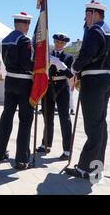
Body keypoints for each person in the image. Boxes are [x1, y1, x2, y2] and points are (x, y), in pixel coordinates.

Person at [65, 0, 110, 180]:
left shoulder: (95, 30)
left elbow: (86, 54)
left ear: (95, 14)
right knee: (100, 124)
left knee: (93, 126)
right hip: (106, 78)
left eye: (87, 15)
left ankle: (85, 169)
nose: (85, 18)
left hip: (94, 80)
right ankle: (97, 166)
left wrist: (74, 68)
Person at [0, 12, 34, 170]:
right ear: (24, 24)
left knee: (7, 116)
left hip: (10, 80)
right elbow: (26, 64)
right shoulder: (24, 40)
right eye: (28, 25)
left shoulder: (5, 40)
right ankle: (22, 159)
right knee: (25, 120)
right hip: (24, 82)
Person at [37, 33, 74, 161]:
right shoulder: (48, 55)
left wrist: (60, 65)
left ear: (65, 44)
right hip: (48, 86)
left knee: (65, 118)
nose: (59, 44)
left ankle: (67, 149)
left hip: (62, 88)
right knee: (47, 117)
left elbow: (70, 74)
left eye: (62, 43)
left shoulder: (69, 57)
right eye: (57, 42)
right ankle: (46, 144)